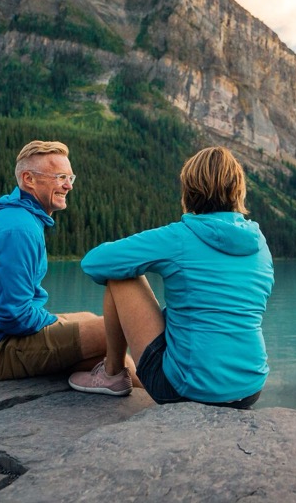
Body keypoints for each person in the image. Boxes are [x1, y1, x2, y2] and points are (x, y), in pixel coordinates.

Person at [69, 146, 274, 408]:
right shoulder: (259, 244)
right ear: (238, 191)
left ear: (190, 190)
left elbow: (94, 262)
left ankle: (112, 374)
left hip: (190, 390)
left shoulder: (179, 236)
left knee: (121, 277)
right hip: (250, 388)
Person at [0, 140, 109, 380]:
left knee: (89, 320)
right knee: (114, 329)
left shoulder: (19, 217)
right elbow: (12, 316)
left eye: (70, 177)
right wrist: (55, 323)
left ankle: (123, 384)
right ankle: (144, 392)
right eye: (60, 177)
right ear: (29, 180)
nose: (68, 186)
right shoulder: (19, 229)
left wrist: (60, 327)